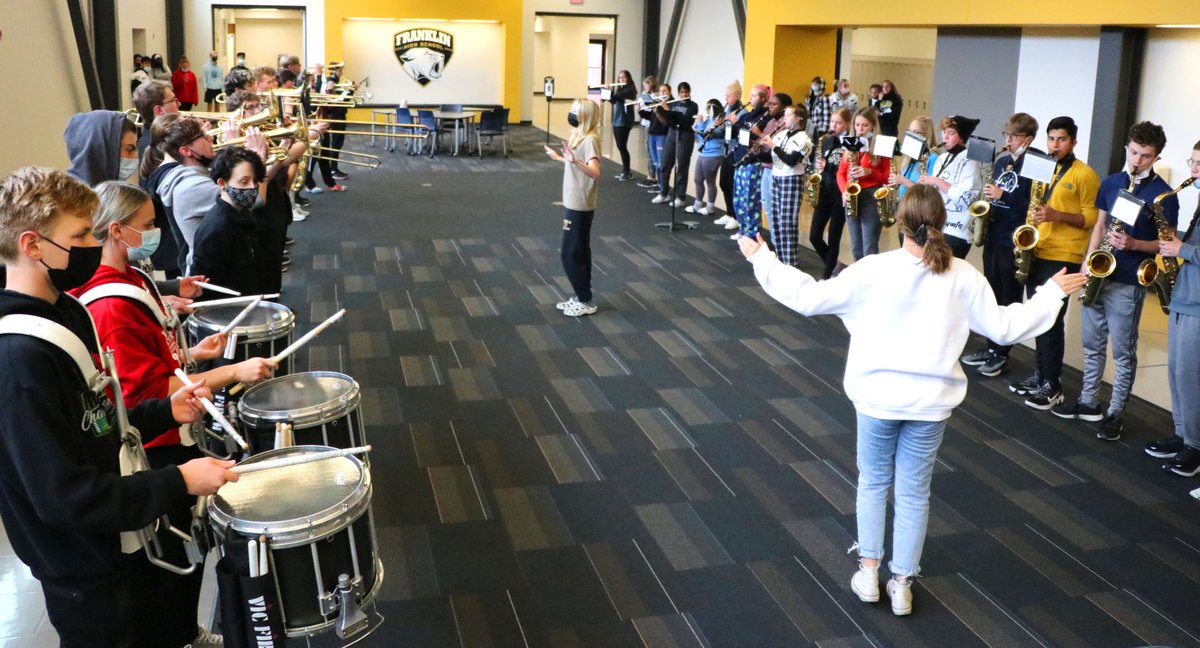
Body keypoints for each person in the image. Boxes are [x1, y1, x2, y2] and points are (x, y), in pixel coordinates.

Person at [740, 184, 1086, 617]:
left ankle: (868, 572)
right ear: (942, 222)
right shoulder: (964, 275)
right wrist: (1050, 293)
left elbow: (808, 298)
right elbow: (1004, 328)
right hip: (930, 407)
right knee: (914, 493)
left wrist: (764, 261)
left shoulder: (872, 269)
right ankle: (902, 582)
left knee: (873, 483)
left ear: (898, 222)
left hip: (877, 402)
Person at [0, 166, 237, 647]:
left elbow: (102, 420)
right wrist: (178, 480)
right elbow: (64, 496)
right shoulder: (19, 360)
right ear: (32, 245)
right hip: (82, 565)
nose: (92, 242)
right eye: (81, 233)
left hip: (119, 536)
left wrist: (164, 411)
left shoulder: (66, 310)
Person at [71, 181, 275, 646]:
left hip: (174, 430)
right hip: (157, 446)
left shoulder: (134, 277)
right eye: (147, 226)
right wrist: (233, 372)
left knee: (186, 548)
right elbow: (148, 394)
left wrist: (193, 355)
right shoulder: (109, 305)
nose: (158, 232)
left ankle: (184, 628)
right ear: (116, 230)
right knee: (172, 552)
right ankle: (177, 634)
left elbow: (160, 361)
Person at [1052, 121, 1177, 440]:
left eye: (1146, 156)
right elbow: (1100, 224)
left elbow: (1166, 244)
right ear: (1127, 148)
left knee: (1123, 351)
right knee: (1092, 345)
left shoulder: (1164, 195)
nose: (1137, 161)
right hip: (1098, 274)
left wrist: (1134, 245)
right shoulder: (1110, 183)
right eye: (1133, 153)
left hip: (1128, 280)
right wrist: (1088, 261)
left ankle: (1116, 412)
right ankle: (1088, 402)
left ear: (1156, 156)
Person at [1010, 116, 1101, 410]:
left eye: (1061, 139)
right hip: (1037, 247)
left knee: (1052, 321)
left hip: (1063, 255)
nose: (1055, 145)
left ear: (1073, 142)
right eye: (1051, 139)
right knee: (1038, 316)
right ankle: (1040, 375)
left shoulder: (1085, 175)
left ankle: (1053, 385)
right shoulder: (1043, 166)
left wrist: (1055, 216)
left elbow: (1091, 219)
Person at [960, 113, 1040, 378]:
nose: (1008, 140)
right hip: (995, 233)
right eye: (1007, 134)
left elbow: (1034, 204)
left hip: (1014, 237)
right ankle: (991, 346)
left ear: (1028, 138)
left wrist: (1003, 195)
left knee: (1009, 296)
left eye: (1014, 136)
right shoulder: (1003, 161)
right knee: (991, 292)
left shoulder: (1035, 164)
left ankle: (1002, 352)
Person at [1148, 141, 1200, 477]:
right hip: (1184, 296)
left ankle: (1195, 447)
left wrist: (1184, 249)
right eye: (1192, 162)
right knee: (1176, 373)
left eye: (1199, 164)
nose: (1193, 170)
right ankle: (1182, 435)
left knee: (1190, 377)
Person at [544, 99, 602, 317]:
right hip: (573, 199)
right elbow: (574, 162)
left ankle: (585, 300)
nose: (571, 114)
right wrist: (560, 158)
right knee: (579, 251)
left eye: (575, 111)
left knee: (570, 254)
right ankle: (582, 297)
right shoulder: (580, 136)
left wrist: (574, 161)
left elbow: (595, 172)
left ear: (585, 116)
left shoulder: (591, 139)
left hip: (580, 203)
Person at [191, 147, 272, 300]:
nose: (252, 187)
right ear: (222, 183)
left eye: (255, 181)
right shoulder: (217, 229)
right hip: (229, 312)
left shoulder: (242, 213)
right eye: (244, 182)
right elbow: (205, 286)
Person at [918, 115, 983, 258]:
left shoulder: (970, 160)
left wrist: (937, 181)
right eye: (944, 132)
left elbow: (969, 199)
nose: (945, 137)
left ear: (962, 138)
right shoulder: (942, 158)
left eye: (951, 133)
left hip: (957, 230)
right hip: (938, 225)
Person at [837, 107, 890, 260]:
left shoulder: (882, 144)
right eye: (857, 125)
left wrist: (869, 172)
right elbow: (840, 172)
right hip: (851, 196)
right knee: (855, 246)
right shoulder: (850, 143)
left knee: (869, 246)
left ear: (873, 125)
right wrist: (844, 190)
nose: (860, 129)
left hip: (871, 197)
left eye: (865, 125)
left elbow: (889, 176)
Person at [808, 107, 852, 279]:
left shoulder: (849, 144)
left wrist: (828, 167)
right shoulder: (826, 140)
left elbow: (846, 169)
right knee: (814, 236)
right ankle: (835, 266)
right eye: (832, 121)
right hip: (824, 192)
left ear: (847, 124)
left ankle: (827, 276)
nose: (834, 125)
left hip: (839, 194)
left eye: (838, 122)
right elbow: (820, 163)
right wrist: (817, 167)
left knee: (834, 238)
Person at [766, 104, 812, 266]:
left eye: (788, 116)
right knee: (777, 220)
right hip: (776, 176)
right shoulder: (782, 134)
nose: (784, 119)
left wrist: (773, 146)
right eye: (784, 116)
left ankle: (791, 261)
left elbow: (791, 161)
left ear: (798, 119)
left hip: (791, 179)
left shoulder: (804, 139)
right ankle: (779, 258)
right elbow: (769, 157)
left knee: (787, 221)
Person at [730, 84, 770, 241]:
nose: (750, 98)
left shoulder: (765, 117)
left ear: (762, 98)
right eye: (750, 95)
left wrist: (739, 124)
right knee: (738, 199)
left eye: (753, 96)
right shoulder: (747, 116)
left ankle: (753, 235)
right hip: (741, 160)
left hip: (754, 161)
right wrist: (733, 123)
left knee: (750, 201)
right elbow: (738, 134)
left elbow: (759, 139)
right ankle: (743, 230)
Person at [653, 81, 699, 207]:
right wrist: (659, 111)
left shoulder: (693, 106)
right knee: (664, 165)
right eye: (682, 92)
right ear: (678, 93)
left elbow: (686, 122)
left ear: (689, 92)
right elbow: (667, 122)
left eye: (686, 92)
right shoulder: (674, 104)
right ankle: (664, 193)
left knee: (682, 168)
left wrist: (668, 109)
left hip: (685, 136)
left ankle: (680, 197)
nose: (684, 94)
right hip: (672, 135)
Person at [64, 111, 140, 186]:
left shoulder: (113, 190)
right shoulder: (71, 197)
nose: (135, 157)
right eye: (129, 149)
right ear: (100, 150)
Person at [688, 99, 726, 218]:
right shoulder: (708, 120)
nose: (706, 110)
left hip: (714, 153)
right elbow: (700, 137)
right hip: (704, 152)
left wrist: (700, 124)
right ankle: (698, 204)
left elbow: (710, 134)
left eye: (708, 108)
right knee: (698, 179)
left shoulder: (720, 120)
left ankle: (710, 207)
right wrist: (698, 123)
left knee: (710, 181)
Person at [716, 81, 745, 225]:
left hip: (736, 151)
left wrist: (732, 124)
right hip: (726, 149)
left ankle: (735, 216)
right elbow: (726, 132)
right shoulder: (727, 110)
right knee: (723, 183)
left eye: (729, 96)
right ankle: (728, 213)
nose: (726, 98)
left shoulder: (742, 112)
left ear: (737, 96)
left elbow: (740, 133)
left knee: (731, 183)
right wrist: (720, 126)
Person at [639, 83, 672, 197]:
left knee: (660, 162)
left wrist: (661, 108)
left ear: (669, 92)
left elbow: (667, 121)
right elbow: (650, 117)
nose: (662, 93)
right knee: (655, 161)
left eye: (665, 91)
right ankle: (659, 184)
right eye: (661, 90)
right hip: (652, 134)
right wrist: (639, 109)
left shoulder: (670, 104)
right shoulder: (657, 103)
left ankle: (663, 186)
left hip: (661, 136)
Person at [131, 80, 180, 155]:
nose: (179, 104)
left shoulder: (150, 139)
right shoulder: (162, 147)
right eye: (173, 100)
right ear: (159, 110)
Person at [608, 70, 637, 181]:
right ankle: (625, 170)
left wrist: (610, 91)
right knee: (620, 146)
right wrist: (608, 93)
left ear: (628, 78)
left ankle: (627, 171)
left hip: (624, 121)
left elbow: (617, 97)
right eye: (620, 78)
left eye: (624, 77)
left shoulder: (630, 91)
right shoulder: (620, 90)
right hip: (617, 120)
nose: (621, 79)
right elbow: (613, 100)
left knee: (622, 146)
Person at [636, 76, 662, 190]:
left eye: (646, 84)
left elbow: (650, 109)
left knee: (651, 152)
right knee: (648, 151)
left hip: (652, 124)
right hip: (646, 123)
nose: (644, 87)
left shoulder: (654, 96)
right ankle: (650, 175)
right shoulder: (644, 94)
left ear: (651, 84)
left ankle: (652, 177)